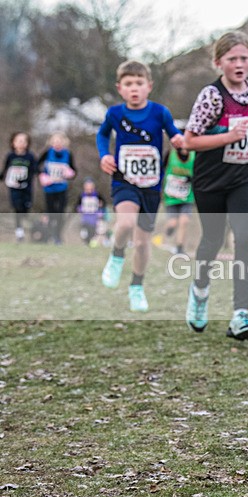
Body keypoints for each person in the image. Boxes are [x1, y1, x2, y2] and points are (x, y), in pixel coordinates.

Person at [183, 30, 248, 341]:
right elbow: (190, 140)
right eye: (232, 59)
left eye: (244, 58)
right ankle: (199, 292)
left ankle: (240, 315)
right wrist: (227, 137)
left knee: (245, 238)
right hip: (211, 179)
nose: (239, 64)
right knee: (212, 240)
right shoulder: (211, 96)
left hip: (245, 176)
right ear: (218, 63)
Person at [97, 59, 183, 312]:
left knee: (143, 243)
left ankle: (136, 287)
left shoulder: (160, 113)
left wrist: (179, 141)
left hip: (151, 185)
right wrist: (104, 155)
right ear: (120, 88)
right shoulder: (115, 114)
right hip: (124, 180)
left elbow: (174, 133)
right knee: (125, 223)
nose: (134, 88)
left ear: (149, 86)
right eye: (128, 84)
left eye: (138, 83)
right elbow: (102, 134)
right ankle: (116, 256)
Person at [37, 131, 76, 244]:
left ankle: (58, 235)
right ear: (51, 142)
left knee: (60, 213)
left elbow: (74, 170)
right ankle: (50, 235)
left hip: (62, 188)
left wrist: (70, 173)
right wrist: (42, 175)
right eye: (55, 141)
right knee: (50, 213)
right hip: (49, 189)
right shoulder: (47, 153)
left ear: (64, 143)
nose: (57, 144)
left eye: (59, 141)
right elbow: (36, 166)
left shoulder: (68, 154)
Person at [161, 145, 196, 255]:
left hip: (187, 196)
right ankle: (167, 231)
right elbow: (161, 168)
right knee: (173, 223)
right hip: (171, 196)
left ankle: (180, 248)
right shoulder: (170, 154)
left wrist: (192, 179)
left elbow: (199, 172)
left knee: (184, 221)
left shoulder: (194, 155)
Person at [3, 132, 37, 242]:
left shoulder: (30, 156)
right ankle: (19, 232)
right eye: (18, 141)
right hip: (14, 188)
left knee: (25, 209)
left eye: (24, 141)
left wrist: (25, 180)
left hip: (27, 188)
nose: (21, 143)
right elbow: (5, 170)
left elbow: (34, 170)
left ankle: (31, 228)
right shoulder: (10, 156)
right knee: (17, 208)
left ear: (27, 143)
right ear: (13, 143)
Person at [74, 177, 107, 245]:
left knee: (94, 230)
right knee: (85, 231)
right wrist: (79, 209)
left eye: (90, 186)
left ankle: (92, 241)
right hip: (85, 217)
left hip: (94, 217)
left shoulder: (97, 195)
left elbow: (103, 204)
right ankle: (86, 242)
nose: (89, 189)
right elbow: (77, 205)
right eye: (87, 187)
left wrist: (101, 210)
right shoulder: (81, 196)